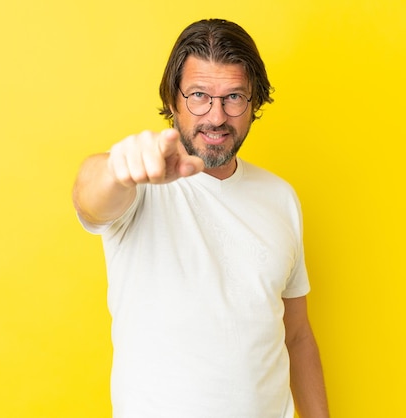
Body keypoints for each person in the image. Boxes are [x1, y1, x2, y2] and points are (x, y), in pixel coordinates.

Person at [73, 18, 329, 418]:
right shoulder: (140, 183)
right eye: (198, 95)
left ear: (254, 103)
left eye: (233, 97)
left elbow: (296, 335)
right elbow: (90, 197)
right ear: (173, 100)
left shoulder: (281, 198)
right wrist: (116, 169)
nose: (216, 116)